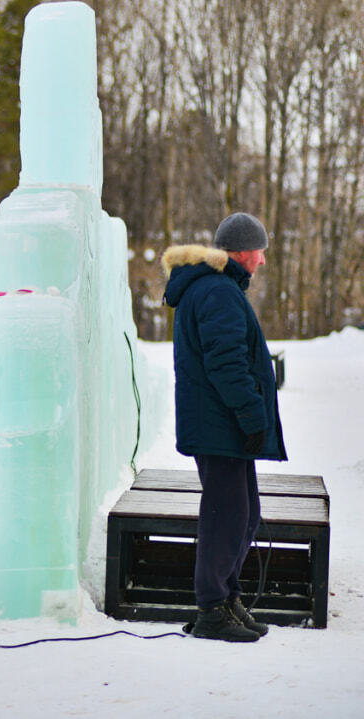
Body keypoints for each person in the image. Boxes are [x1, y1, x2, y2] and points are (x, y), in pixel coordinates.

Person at [161, 211, 288, 643]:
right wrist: (253, 417)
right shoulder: (216, 292)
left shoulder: (219, 288)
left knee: (244, 513)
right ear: (242, 252)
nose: (263, 261)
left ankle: (228, 598)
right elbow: (226, 363)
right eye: (260, 251)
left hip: (222, 425)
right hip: (221, 426)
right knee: (226, 516)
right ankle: (212, 608)